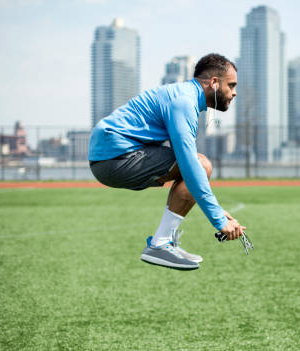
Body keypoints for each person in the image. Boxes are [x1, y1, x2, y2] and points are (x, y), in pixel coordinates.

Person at [88, 53, 245, 270]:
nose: (235, 92)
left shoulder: (184, 96)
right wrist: (219, 220)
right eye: (232, 85)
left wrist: (218, 211)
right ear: (214, 83)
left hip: (109, 158)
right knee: (200, 165)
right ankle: (160, 244)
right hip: (115, 159)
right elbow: (189, 165)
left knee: (198, 165)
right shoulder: (184, 102)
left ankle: (164, 242)